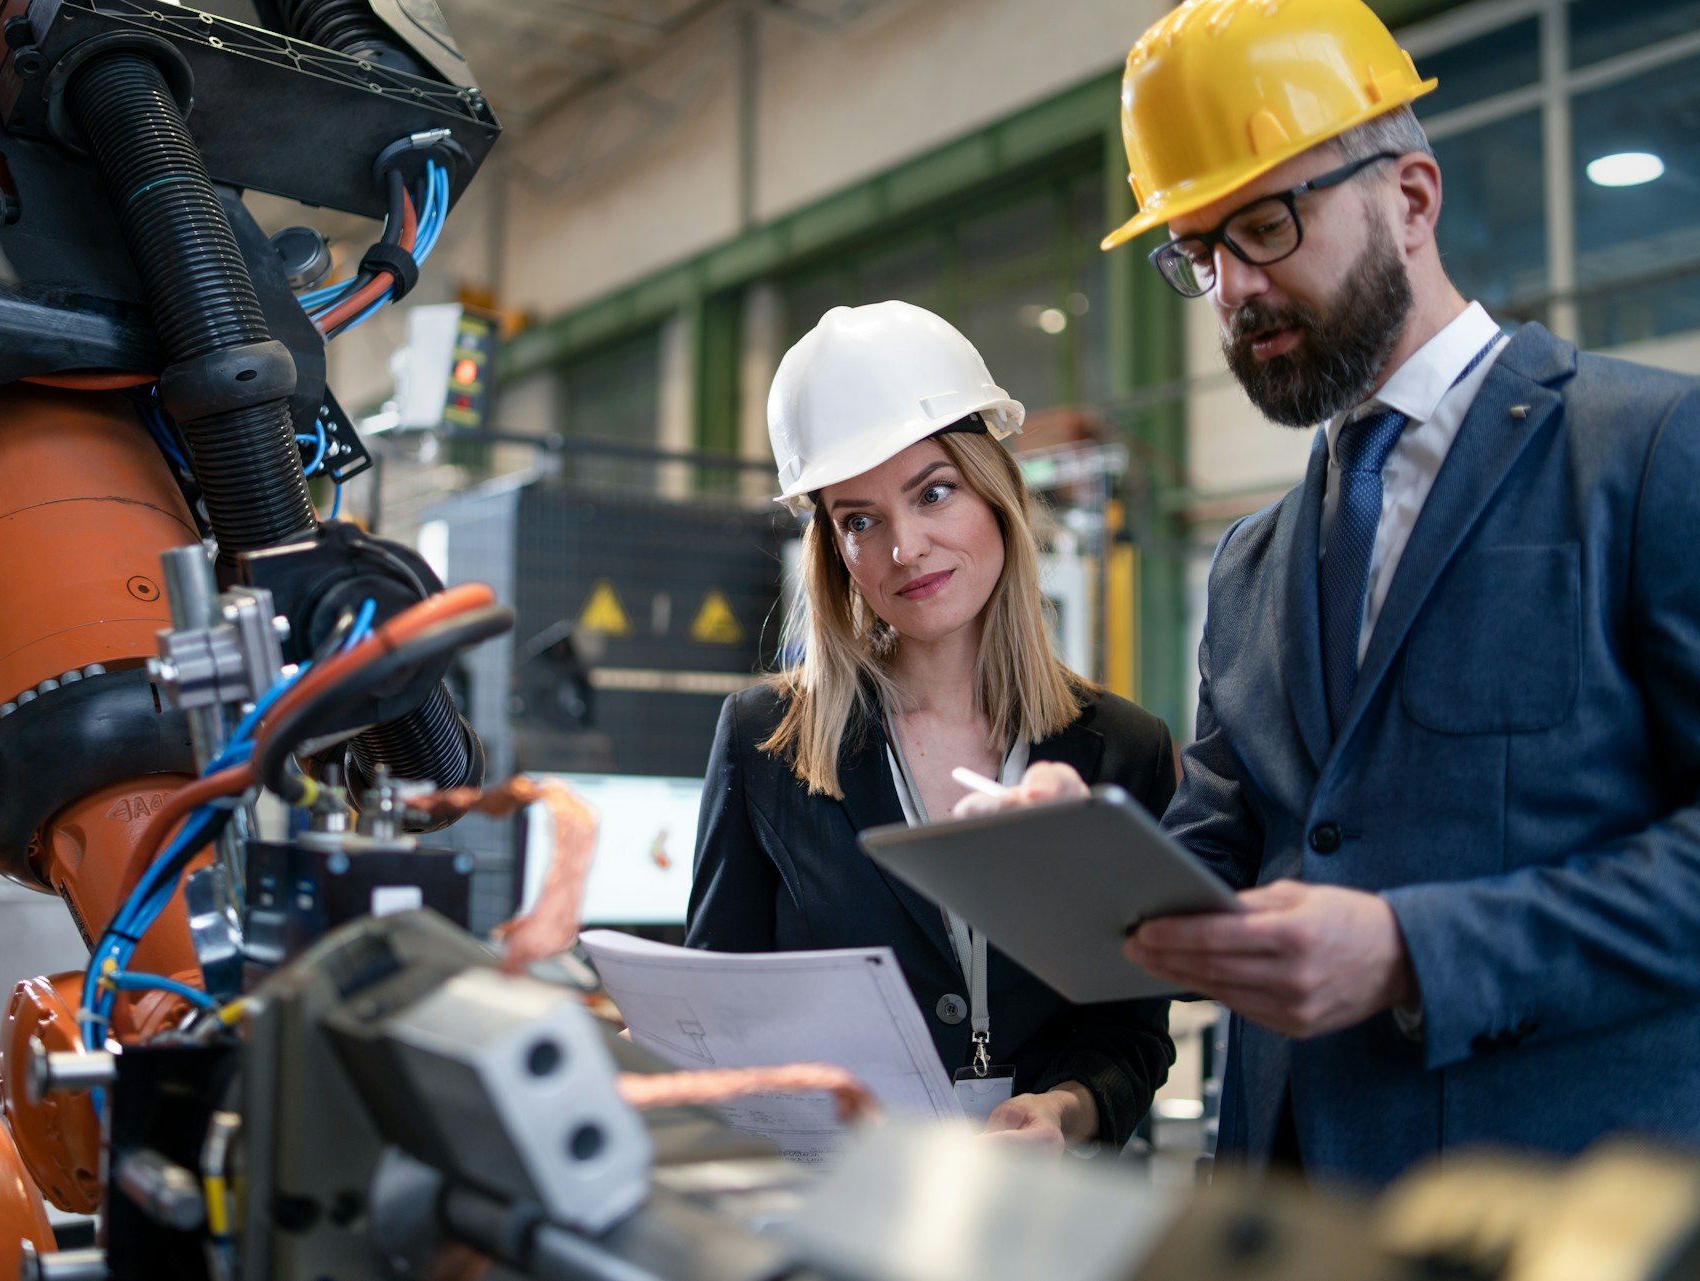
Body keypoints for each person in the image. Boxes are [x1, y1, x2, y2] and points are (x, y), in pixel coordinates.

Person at [991, 0, 1700, 1184]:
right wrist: (1081, 857)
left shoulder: (1646, 452)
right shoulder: (1254, 561)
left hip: (1554, 1204)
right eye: (1200, 253)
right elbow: (1218, 856)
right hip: (1280, 1198)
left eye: (1265, 226)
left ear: (1411, 198)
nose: (1233, 289)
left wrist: (1421, 953)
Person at [686, 300, 1176, 1150]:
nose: (904, 547)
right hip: (838, 1209)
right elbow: (716, 1010)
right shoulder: (766, 740)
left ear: (995, 494)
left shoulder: (1121, 750)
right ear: (833, 550)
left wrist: (1067, 1110)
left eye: (934, 492)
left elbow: (1132, 1029)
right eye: (860, 520)